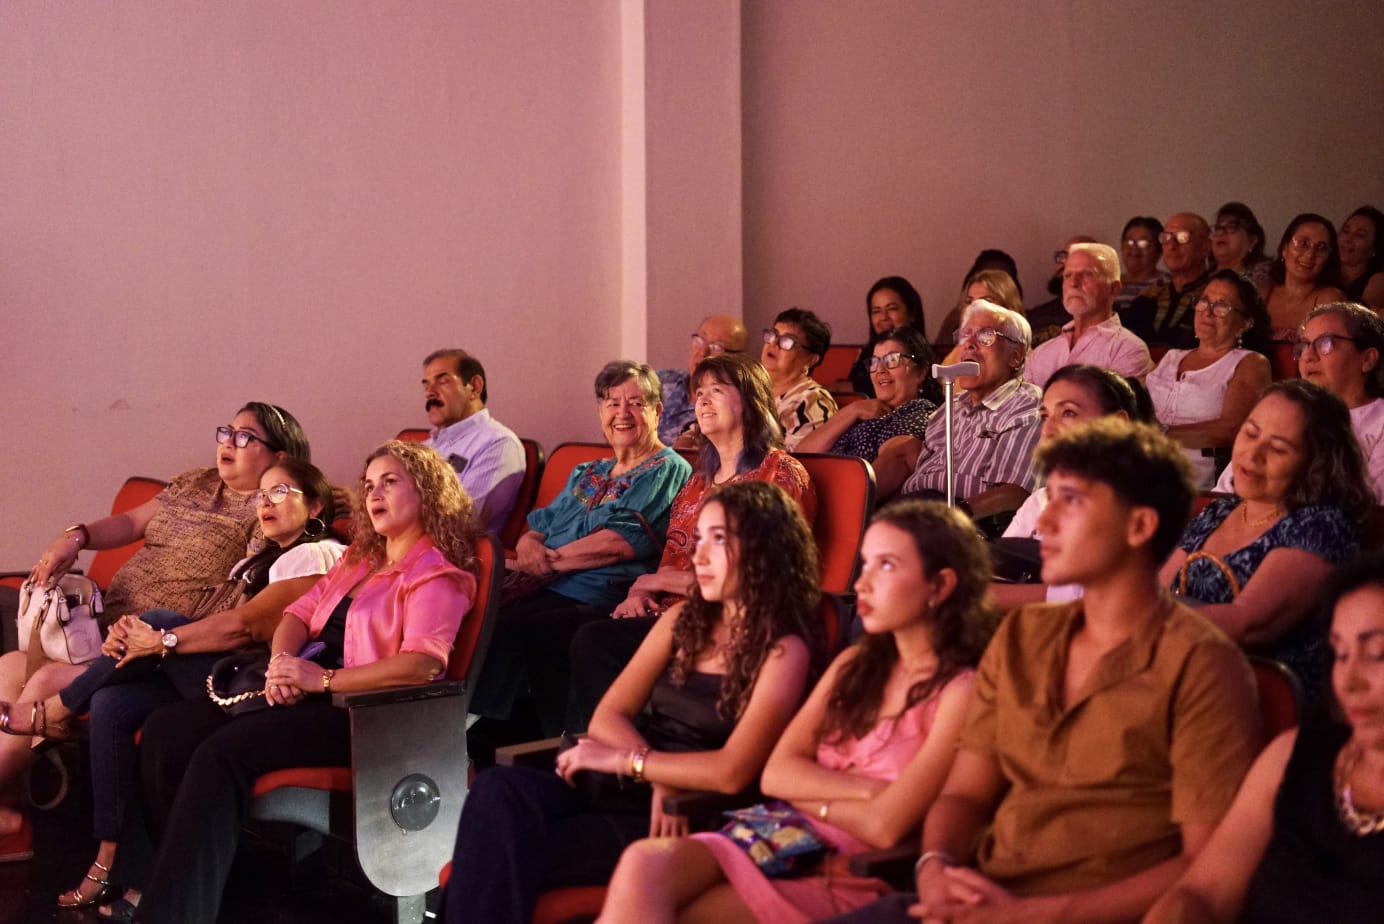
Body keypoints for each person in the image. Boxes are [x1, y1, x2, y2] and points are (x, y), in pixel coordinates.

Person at [833, 418, 1262, 924]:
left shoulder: (1203, 665)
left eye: (1070, 501)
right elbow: (965, 794)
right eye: (1048, 497)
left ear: (1139, 527)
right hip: (976, 898)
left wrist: (1032, 914)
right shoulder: (1024, 634)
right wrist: (935, 868)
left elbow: (1202, 865)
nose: (1046, 520)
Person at [132, 440, 481, 923]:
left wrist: (323, 680)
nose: (375, 494)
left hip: (364, 717)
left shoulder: (436, 573)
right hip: (306, 690)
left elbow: (421, 664)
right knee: (167, 730)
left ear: (426, 493)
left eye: (390, 482)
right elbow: (296, 614)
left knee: (221, 752)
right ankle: (199, 895)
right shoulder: (360, 559)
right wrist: (281, 663)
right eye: (368, 486)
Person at [442, 481, 822, 924]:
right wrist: (655, 775)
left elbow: (732, 770)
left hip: (691, 812)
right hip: (641, 787)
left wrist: (632, 764)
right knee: (495, 790)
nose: (699, 556)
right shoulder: (682, 620)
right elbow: (609, 715)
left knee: (500, 851)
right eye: (699, 538)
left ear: (763, 548)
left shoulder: (784, 649)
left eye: (719, 540)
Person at [599, 500, 990, 923]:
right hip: (777, 833)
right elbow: (776, 774)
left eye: (887, 566)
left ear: (940, 585)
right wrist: (869, 791)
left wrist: (815, 795)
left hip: (849, 867)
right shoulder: (853, 665)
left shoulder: (961, 691)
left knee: (685, 913)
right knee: (644, 863)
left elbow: (885, 826)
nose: (862, 583)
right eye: (865, 564)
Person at [0, 460, 344, 906]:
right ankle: (114, 863)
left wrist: (161, 638)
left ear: (314, 507)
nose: (265, 502)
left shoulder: (316, 554)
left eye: (280, 492)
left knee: (158, 620)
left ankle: (60, 708)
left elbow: (247, 627)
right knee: (112, 704)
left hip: (260, 686)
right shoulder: (263, 559)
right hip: (227, 674)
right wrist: (142, 638)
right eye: (262, 495)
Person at [566, 354, 815, 733]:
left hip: (725, 618)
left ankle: (611, 746)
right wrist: (639, 591)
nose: (703, 399)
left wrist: (653, 581)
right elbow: (671, 558)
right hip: (670, 610)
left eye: (717, 390)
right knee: (568, 626)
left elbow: (758, 582)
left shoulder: (778, 474)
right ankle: (577, 744)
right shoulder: (698, 480)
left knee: (594, 641)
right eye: (700, 392)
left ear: (751, 401)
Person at [1145, 550, 1384, 924]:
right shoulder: (1292, 755)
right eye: (1341, 654)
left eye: (1377, 654)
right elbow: (1204, 891)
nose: (1349, 682)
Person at [469, 362, 692, 736]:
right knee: (477, 614)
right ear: (600, 411)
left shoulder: (667, 468)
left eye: (636, 403)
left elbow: (619, 543)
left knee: (516, 628)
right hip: (548, 583)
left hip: (600, 591)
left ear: (657, 411)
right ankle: (483, 731)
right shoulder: (588, 471)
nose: (622, 413)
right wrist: (528, 544)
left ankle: (493, 734)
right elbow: (540, 526)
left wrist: (545, 562)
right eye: (612, 403)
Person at [1161, 381, 1371, 694]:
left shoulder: (1321, 527)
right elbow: (1158, 590)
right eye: (1250, 433)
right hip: (1187, 678)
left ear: (1314, 465)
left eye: (1278, 448)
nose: (1253, 454)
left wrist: (1132, 619)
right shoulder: (1220, 510)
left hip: (1262, 700)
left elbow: (1246, 624)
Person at [990, 364, 1150, 610]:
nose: (1048, 430)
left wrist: (986, 597)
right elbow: (1002, 565)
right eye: (1045, 416)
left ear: (1117, 423)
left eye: (1068, 413)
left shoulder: (1137, 501)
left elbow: (1095, 597)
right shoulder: (1039, 499)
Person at [878, 301, 1041, 521]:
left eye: (985, 336)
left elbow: (1015, 494)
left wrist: (953, 518)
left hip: (964, 520)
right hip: (913, 506)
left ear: (1016, 355)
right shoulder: (949, 408)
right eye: (965, 336)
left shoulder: (1027, 408)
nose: (969, 345)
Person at [1146, 269, 1273, 486]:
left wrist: (1157, 435)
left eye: (1221, 306)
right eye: (1204, 301)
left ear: (1246, 323)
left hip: (1194, 478)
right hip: (1141, 463)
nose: (1208, 312)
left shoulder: (1250, 363)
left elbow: (1232, 429)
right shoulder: (1171, 357)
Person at [421, 348, 526, 533]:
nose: (430, 392)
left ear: (475, 387)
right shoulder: (426, 446)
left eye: (442, 381)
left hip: (450, 549)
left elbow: (463, 521)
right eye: (426, 385)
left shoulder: (498, 444)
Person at [796, 326, 939, 462]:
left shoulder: (919, 415)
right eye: (874, 361)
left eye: (892, 360)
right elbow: (801, 456)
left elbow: (885, 471)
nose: (880, 369)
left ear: (921, 372)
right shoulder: (863, 412)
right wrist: (853, 410)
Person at [1023, 242, 1154, 388]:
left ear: (1114, 288)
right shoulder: (1042, 353)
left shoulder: (1128, 350)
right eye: (1067, 275)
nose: (1073, 283)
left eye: (1087, 274)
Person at [1122, 212, 1215, 349]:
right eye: (1166, 237)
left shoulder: (1214, 295)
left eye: (1183, 237)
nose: (1172, 246)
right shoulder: (1150, 295)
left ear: (1206, 245)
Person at [659, 315, 750, 444]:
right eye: (700, 341)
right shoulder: (660, 381)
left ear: (738, 359)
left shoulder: (733, 408)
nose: (703, 353)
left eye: (716, 347)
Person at [1260, 213, 1347, 340]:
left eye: (1321, 248)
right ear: (1284, 248)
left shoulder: (1330, 299)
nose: (1310, 254)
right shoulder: (1262, 294)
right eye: (1303, 243)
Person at [762, 308, 838, 449]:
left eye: (786, 341)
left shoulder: (812, 401)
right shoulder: (750, 388)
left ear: (811, 360)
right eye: (773, 335)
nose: (773, 343)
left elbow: (798, 460)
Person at [843, 278, 926, 397]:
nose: (883, 317)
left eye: (892, 308)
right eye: (876, 311)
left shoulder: (923, 356)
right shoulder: (866, 353)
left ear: (912, 313)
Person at [1026, 235, 1096, 346]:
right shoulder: (1035, 317)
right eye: (1063, 256)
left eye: (1075, 258)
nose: (1065, 263)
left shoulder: (1108, 319)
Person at [935, 268, 1024, 352]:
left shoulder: (1024, 355)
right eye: (969, 301)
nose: (974, 307)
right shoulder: (960, 350)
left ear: (1007, 306)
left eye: (986, 301)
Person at [1209, 201, 1274, 290]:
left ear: (1252, 241)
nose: (1220, 232)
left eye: (1231, 227)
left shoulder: (1263, 275)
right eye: (1217, 228)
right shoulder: (1204, 274)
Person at [1336, 205, 1384, 309]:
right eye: (1346, 231)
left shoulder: (1377, 282)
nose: (1348, 239)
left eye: (1360, 235)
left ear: (1374, 248)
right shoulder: (1326, 270)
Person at [1115, 216, 1166, 313]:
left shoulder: (1165, 284)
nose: (1134, 250)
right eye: (1130, 242)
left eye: (1143, 243)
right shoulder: (1109, 283)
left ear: (1159, 249)